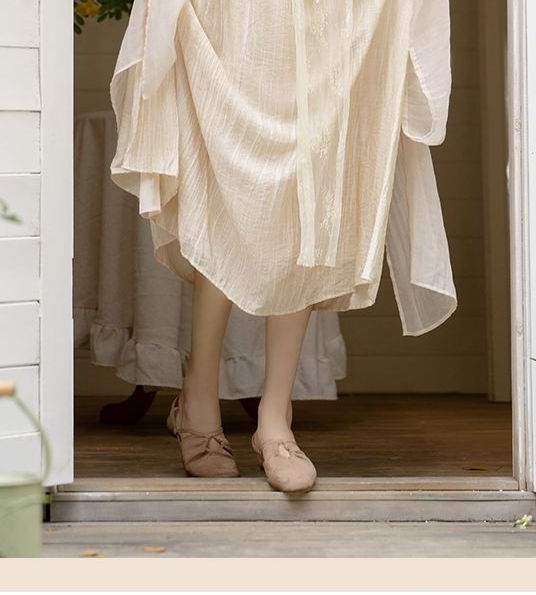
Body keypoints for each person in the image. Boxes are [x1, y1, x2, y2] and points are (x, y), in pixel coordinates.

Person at [110, 0, 456, 493]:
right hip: (234, 14)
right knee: (224, 186)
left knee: (305, 199)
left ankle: (274, 419)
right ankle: (199, 399)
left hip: (327, 17)